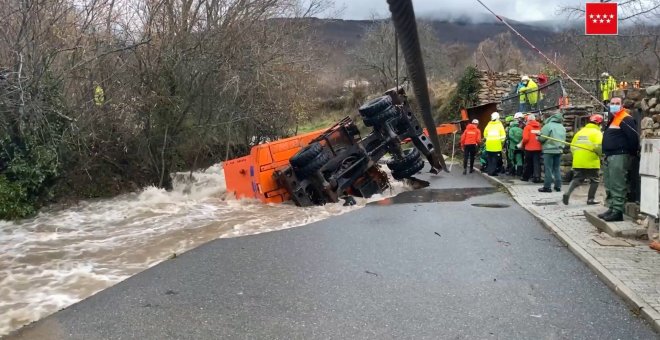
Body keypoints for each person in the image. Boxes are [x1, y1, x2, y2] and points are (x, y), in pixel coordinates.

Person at [598, 96, 639, 222]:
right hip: (610, 156)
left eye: (617, 103)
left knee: (618, 183)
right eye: (612, 103)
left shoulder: (625, 118)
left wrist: (630, 153)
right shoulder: (614, 119)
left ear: (622, 105)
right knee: (610, 183)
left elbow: (633, 138)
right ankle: (611, 207)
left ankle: (617, 211)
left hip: (619, 155)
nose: (614, 105)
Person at [563, 114, 604, 205]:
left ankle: (567, 193)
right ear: (599, 123)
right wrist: (601, 155)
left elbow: (572, 147)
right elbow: (598, 147)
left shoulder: (580, 132)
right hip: (591, 161)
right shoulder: (597, 133)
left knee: (577, 179)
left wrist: (577, 155)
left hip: (578, 160)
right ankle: (590, 199)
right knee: (595, 180)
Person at [538, 112, 567, 192]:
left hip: (549, 150)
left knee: (548, 169)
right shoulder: (562, 127)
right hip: (559, 149)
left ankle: (547, 187)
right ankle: (558, 186)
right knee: (556, 168)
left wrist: (538, 138)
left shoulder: (547, 126)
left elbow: (542, 138)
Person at [520, 114, 542, 183]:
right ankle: (537, 177)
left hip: (529, 148)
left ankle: (525, 177)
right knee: (537, 163)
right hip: (538, 147)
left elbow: (525, 138)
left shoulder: (527, 127)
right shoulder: (539, 126)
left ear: (528, 120)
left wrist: (522, 144)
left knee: (527, 163)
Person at [483, 112, 506, 176]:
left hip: (489, 146)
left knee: (490, 160)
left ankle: (489, 171)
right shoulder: (499, 125)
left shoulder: (488, 125)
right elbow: (503, 137)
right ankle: (492, 172)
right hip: (496, 146)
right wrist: (502, 143)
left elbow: (485, 135)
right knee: (495, 160)